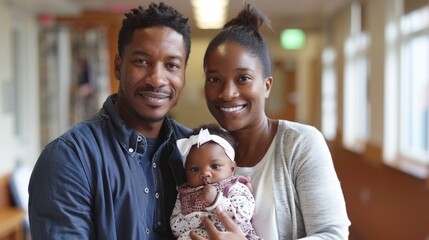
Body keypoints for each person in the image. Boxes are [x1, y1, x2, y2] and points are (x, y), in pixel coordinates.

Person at [28, 2, 192, 239]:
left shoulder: (195, 151)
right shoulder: (70, 158)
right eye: (142, 61)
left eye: (172, 66)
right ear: (118, 66)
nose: (157, 79)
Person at [190, 4, 351, 240]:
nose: (227, 93)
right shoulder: (200, 150)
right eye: (214, 79)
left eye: (243, 78)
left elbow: (332, 235)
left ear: (266, 86)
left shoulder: (300, 144)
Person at [170, 124, 261, 240]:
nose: (205, 173)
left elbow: (242, 217)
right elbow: (175, 226)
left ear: (232, 169)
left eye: (215, 166)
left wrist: (216, 201)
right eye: (195, 169)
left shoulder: (234, 187)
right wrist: (201, 219)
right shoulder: (184, 194)